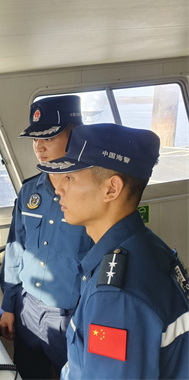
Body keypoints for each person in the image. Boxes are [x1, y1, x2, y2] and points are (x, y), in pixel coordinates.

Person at [37, 123, 189, 379]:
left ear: (111, 189)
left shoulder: (116, 298)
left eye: (70, 177)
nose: (58, 189)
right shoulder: (147, 246)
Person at [0, 96, 94, 379]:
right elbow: (15, 250)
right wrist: (9, 306)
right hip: (26, 308)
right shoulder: (29, 192)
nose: (38, 147)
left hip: (71, 314)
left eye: (49, 138)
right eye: (35, 139)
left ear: (75, 135)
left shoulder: (93, 193)